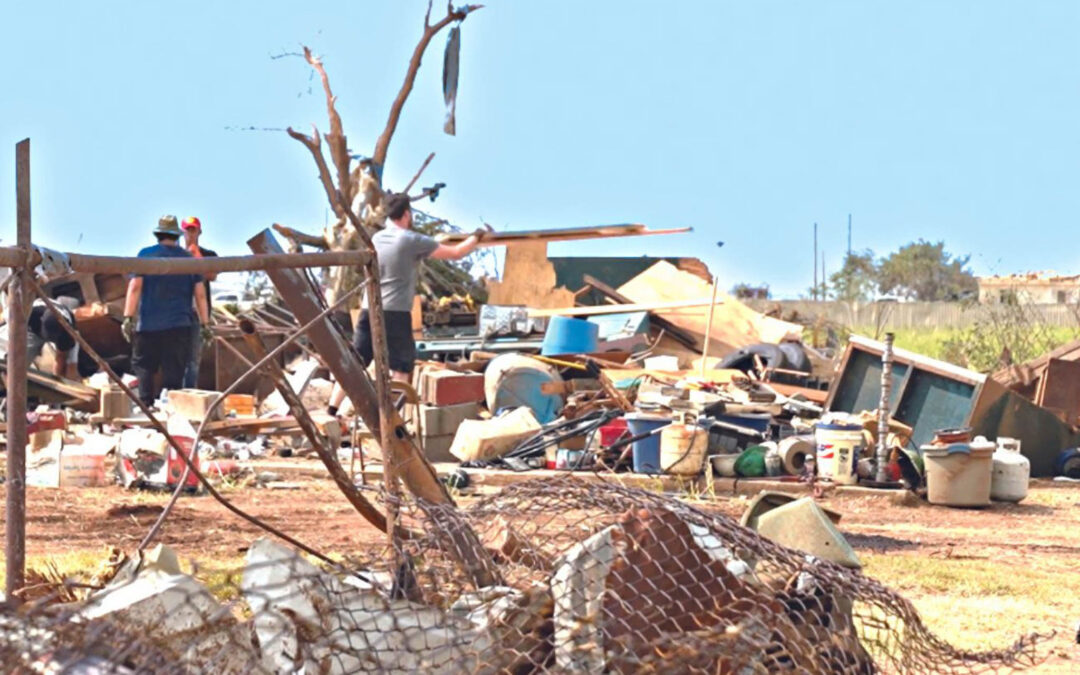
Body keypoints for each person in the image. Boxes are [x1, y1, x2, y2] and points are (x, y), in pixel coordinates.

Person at [327, 193, 485, 415]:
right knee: (400, 367)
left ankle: (332, 411)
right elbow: (456, 253)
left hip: (368, 309)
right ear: (407, 214)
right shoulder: (412, 240)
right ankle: (392, 418)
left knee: (355, 363)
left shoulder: (375, 238)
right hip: (396, 312)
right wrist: (476, 237)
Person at [122, 215, 210, 404]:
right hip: (179, 326)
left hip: (148, 326)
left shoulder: (145, 256)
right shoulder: (188, 259)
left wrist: (128, 317)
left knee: (144, 367)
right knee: (174, 372)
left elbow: (135, 287)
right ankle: (172, 411)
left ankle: (146, 406)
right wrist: (205, 324)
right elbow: (200, 294)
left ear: (158, 235)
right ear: (177, 235)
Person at [181, 216, 218, 388]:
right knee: (176, 357)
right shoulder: (175, 256)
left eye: (193, 230)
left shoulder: (209, 255)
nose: (190, 234)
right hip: (177, 312)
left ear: (199, 232)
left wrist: (195, 252)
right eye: (187, 230)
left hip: (198, 313)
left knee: (193, 359)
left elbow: (211, 275)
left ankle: (189, 392)